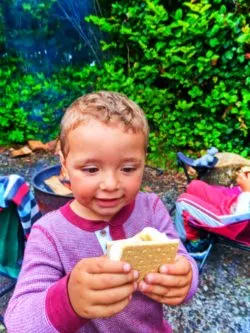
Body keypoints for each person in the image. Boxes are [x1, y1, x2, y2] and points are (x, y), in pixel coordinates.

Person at [5, 91, 199, 333]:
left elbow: (181, 259)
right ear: (64, 166)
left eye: (128, 168)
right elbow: (18, 321)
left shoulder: (151, 209)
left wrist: (186, 278)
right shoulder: (49, 234)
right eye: (91, 169)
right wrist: (69, 301)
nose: (110, 184)